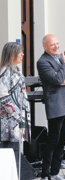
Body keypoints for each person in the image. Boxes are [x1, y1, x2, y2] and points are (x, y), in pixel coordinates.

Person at [37, 34, 65, 180]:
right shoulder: (43, 62)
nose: (56, 46)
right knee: (53, 140)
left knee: (62, 140)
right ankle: (45, 174)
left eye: (57, 43)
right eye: (52, 44)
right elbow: (57, 79)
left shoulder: (61, 58)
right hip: (56, 104)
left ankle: (54, 173)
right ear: (45, 46)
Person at [0, 42, 31, 170]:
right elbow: (2, 93)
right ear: (11, 54)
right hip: (9, 121)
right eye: (20, 52)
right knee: (10, 153)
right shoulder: (6, 70)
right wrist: (15, 113)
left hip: (16, 119)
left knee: (16, 152)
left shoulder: (16, 70)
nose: (22, 54)